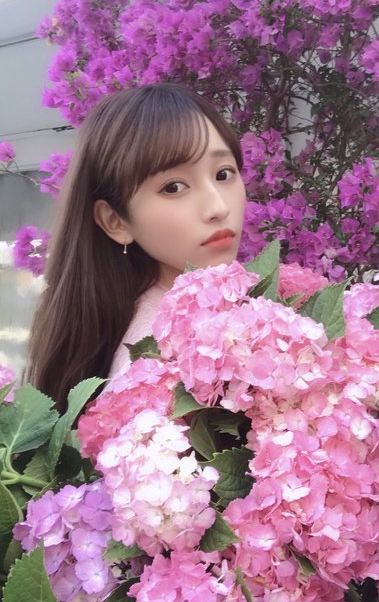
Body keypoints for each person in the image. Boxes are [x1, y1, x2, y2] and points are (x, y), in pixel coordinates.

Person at [26, 83, 246, 412]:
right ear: (116, 221)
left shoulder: (219, 303)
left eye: (224, 173)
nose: (218, 207)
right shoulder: (151, 369)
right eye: (174, 187)